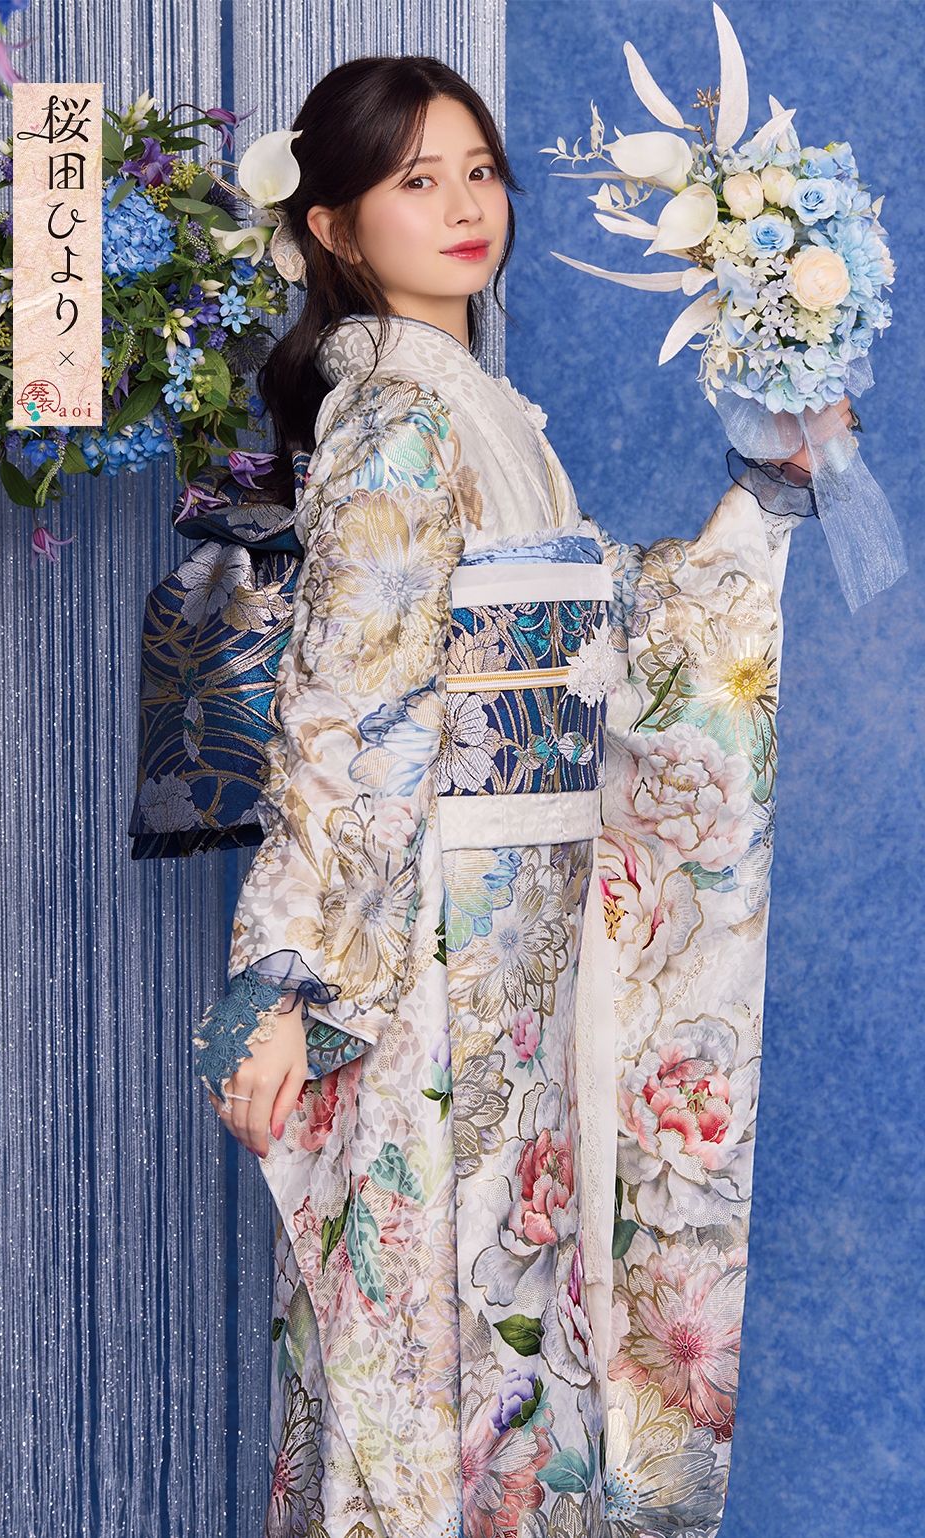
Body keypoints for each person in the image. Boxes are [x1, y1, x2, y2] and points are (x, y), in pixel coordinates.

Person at [194, 55, 850, 1538]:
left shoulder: (477, 408)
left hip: (525, 936)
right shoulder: (398, 419)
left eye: (479, 170)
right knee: (433, 1339)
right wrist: (285, 976)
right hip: (438, 942)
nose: (464, 204)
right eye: (416, 180)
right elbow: (346, 706)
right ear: (335, 228)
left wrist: (762, 498)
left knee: (505, 1334)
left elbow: (617, 623)